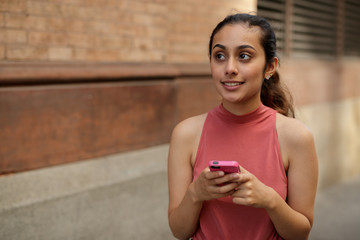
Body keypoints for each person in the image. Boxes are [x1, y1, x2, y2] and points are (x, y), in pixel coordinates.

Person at [167, 13, 318, 240]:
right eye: (219, 56)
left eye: (244, 56)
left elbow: (300, 234)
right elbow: (179, 231)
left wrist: (270, 200)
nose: (230, 68)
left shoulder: (296, 137)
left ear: (270, 67)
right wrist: (196, 193)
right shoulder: (185, 134)